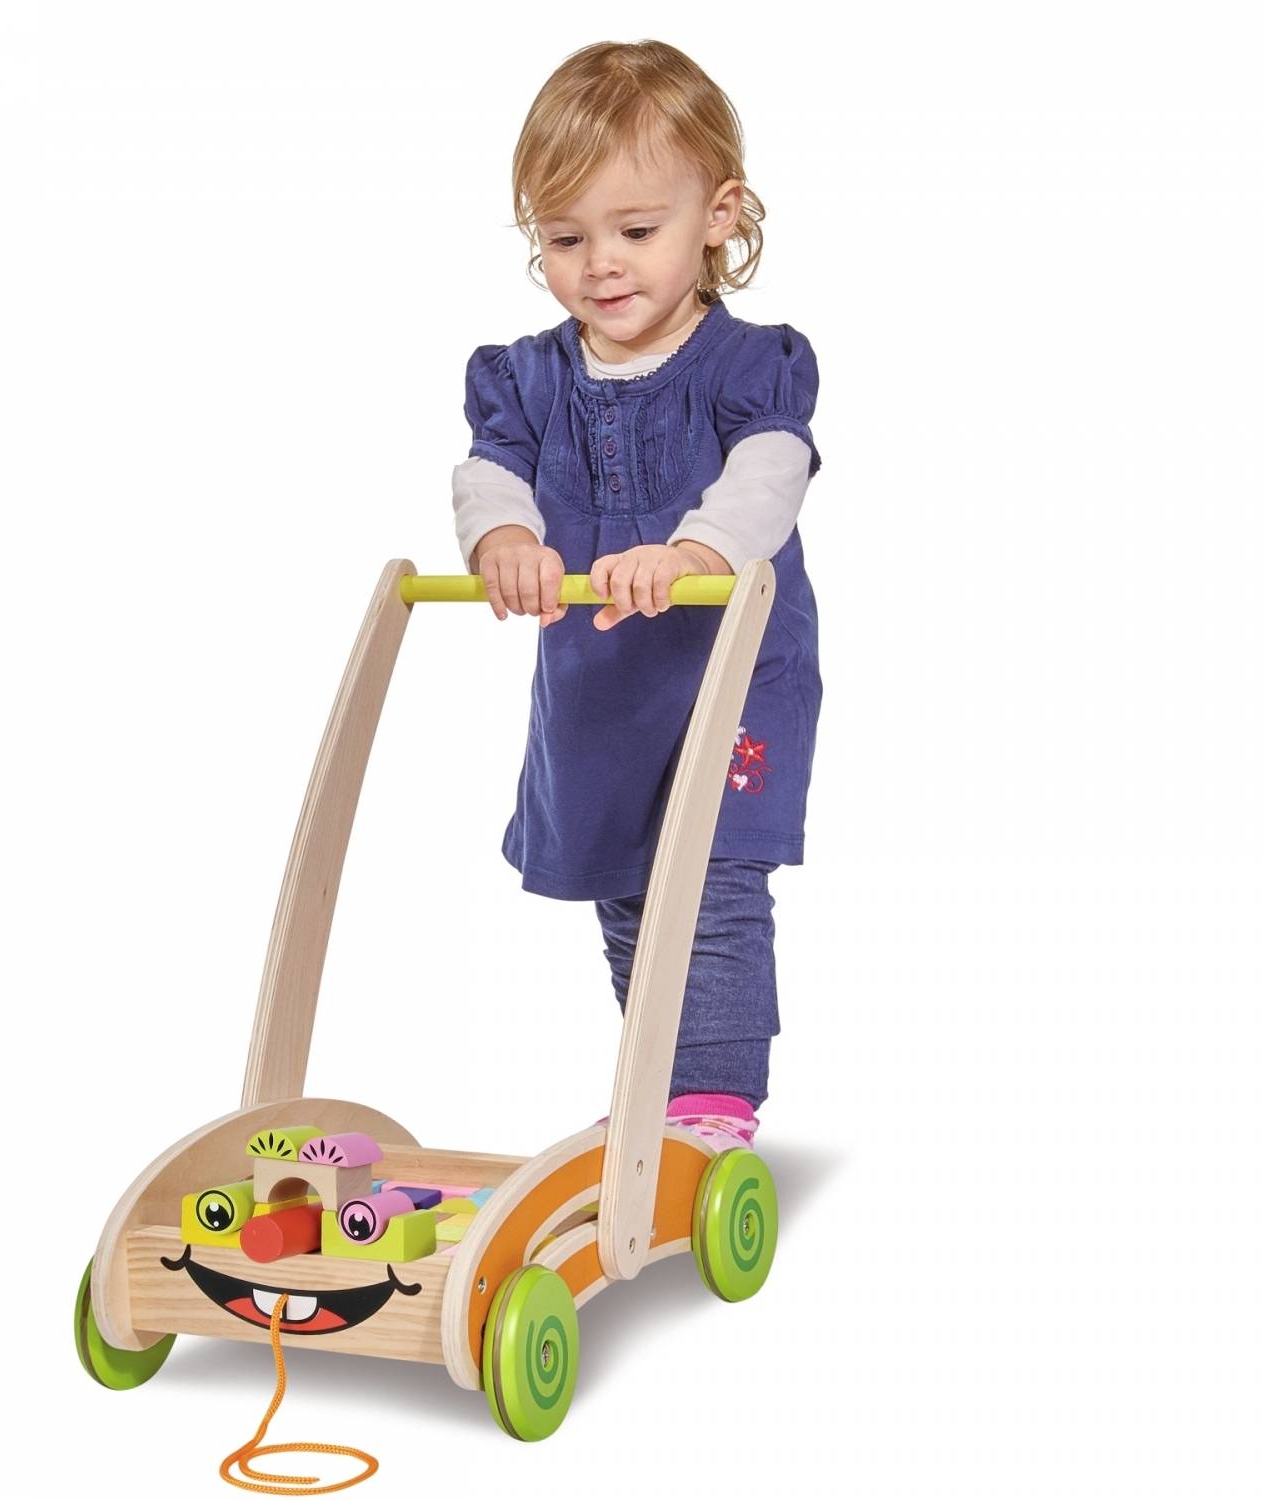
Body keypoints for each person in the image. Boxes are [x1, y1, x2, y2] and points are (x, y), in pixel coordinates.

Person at [452, 40, 824, 1150]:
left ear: (720, 215)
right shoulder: (528, 376)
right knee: (629, 886)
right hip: (602, 685)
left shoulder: (750, 364)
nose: (600, 266)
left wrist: (697, 552)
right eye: (565, 239)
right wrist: (505, 535)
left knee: (707, 881)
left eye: (635, 231)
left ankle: (711, 1105)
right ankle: (662, 1085)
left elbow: (773, 473)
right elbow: (489, 468)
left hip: (730, 681)